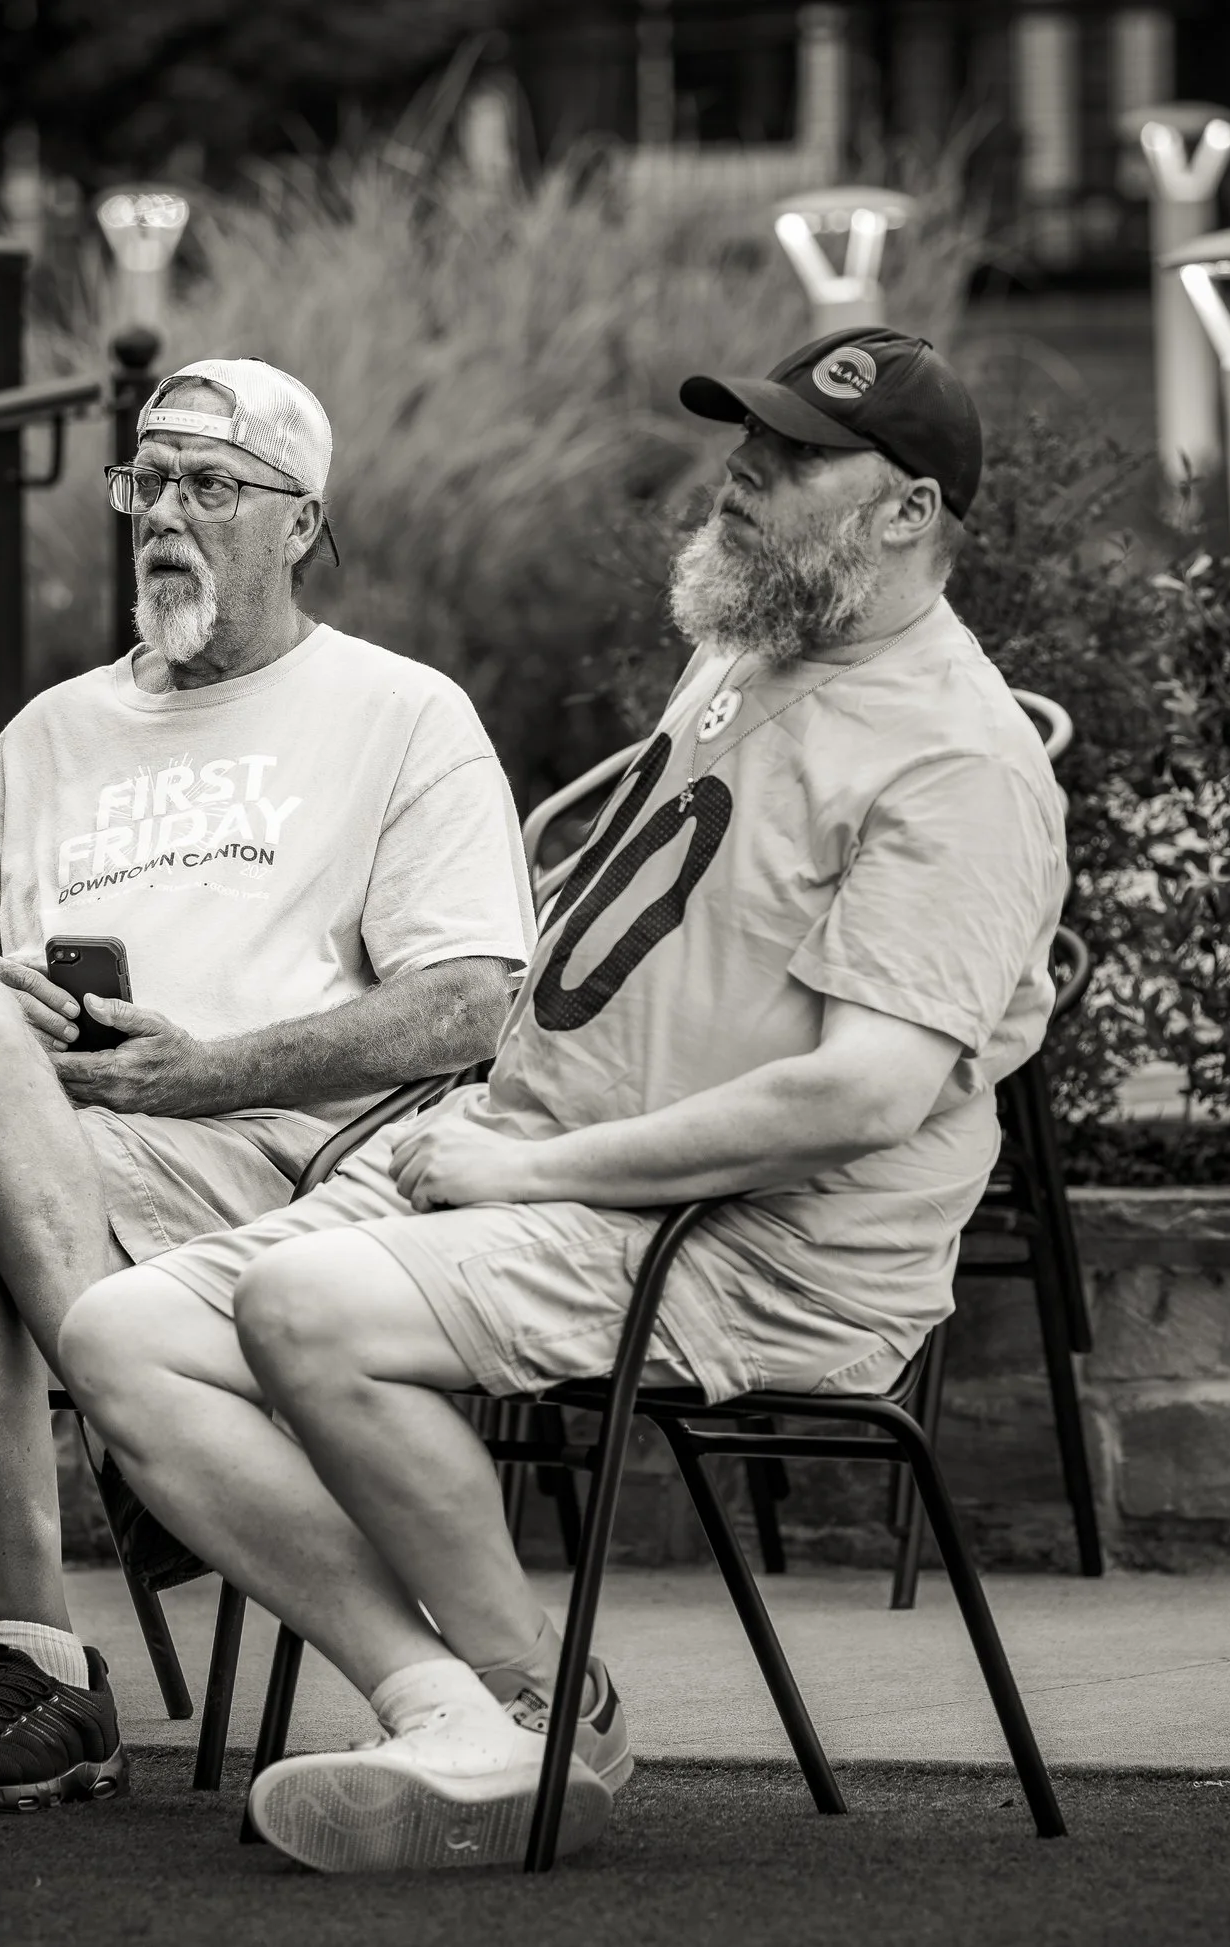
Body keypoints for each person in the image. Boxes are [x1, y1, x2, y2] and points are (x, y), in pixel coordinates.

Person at [61, 325, 1072, 1871]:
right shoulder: (752, 648)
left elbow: (862, 1099)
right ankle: (455, 1706)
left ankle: (538, 1703)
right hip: (537, 1169)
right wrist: (492, 1137)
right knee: (116, 1335)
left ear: (908, 514)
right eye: (749, 442)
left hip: (740, 1246)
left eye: (796, 462)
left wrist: (537, 1172)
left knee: (309, 1312)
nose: (745, 476)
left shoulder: (960, 761)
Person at [0, 356, 533, 1815]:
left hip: (282, 1165)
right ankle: (58, 1625)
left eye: (210, 487)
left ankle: (77, 1582)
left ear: (300, 522)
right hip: (57, 1155)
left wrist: (202, 1074)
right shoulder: (50, 734)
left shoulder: (398, 713)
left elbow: (473, 996)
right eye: (146, 483)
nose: (165, 513)